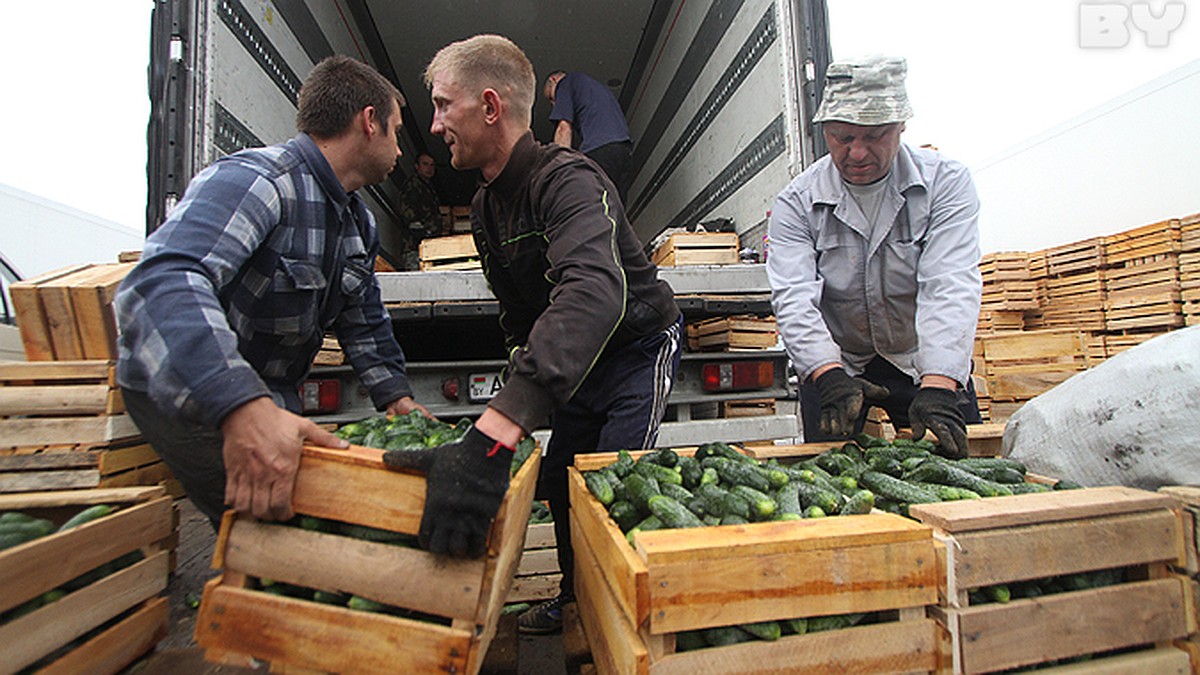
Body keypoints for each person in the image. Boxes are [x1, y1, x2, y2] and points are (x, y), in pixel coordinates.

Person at [384, 35, 682, 635]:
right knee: (562, 481)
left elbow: (594, 293)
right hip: (581, 364)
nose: (435, 123)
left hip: (635, 348)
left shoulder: (568, 178)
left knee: (612, 485)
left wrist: (497, 427)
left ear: (490, 107)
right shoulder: (487, 206)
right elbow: (519, 313)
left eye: (444, 105)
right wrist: (521, 386)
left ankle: (637, 618)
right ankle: (577, 600)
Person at [115, 55, 429, 530]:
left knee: (306, 523)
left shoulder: (357, 223)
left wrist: (397, 400)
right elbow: (162, 282)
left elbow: (362, 320)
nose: (400, 151)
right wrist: (241, 407)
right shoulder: (258, 182)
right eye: (397, 131)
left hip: (268, 394)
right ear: (369, 122)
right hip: (191, 391)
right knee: (270, 532)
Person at [766, 55, 983, 458]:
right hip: (840, 366)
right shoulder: (797, 201)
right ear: (825, 130)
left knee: (962, 473)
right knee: (832, 478)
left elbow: (949, 284)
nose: (858, 152)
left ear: (901, 127)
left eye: (875, 135)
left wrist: (939, 385)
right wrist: (825, 374)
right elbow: (794, 296)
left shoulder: (945, 184)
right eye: (842, 138)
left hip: (919, 358)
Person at [543, 70, 633, 204]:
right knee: (616, 206)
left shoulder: (566, 83)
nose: (555, 104)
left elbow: (564, 128)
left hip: (600, 150)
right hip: (623, 150)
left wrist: (559, 170)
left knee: (589, 204)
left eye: (552, 98)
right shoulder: (596, 89)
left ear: (554, 80)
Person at [397, 152, 443, 269]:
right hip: (415, 247)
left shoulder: (428, 188)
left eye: (432, 165)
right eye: (425, 164)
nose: (429, 168)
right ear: (417, 166)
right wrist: (423, 234)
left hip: (429, 247)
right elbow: (408, 215)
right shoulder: (413, 185)